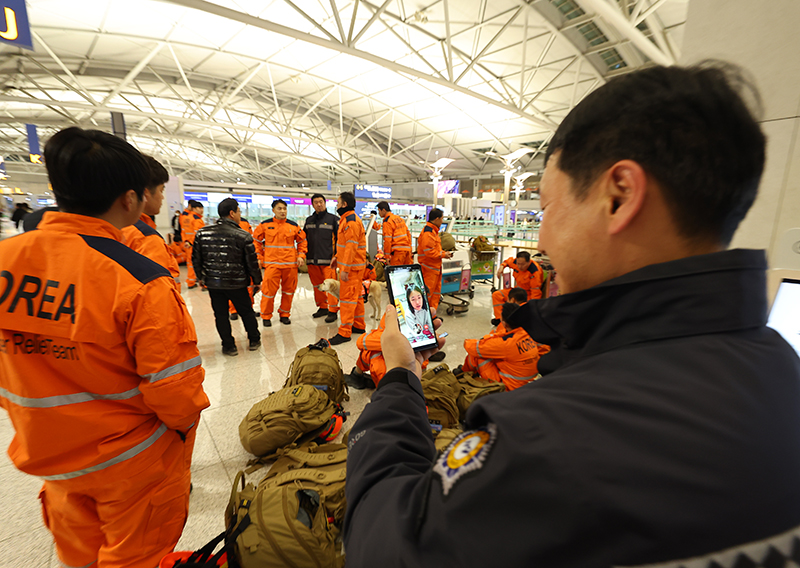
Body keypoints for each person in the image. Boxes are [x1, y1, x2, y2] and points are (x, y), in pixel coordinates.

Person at [343, 63, 800, 567]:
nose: (540, 238)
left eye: (546, 207)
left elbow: (383, 545)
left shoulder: (550, 439)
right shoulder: (783, 368)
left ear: (618, 195)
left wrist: (401, 382)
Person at [0, 127, 209, 568]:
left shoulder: (7, 261)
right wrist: (177, 436)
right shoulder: (139, 278)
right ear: (130, 200)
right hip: (130, 464)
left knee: (79, 556)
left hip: (50, 457)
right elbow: (176, 391)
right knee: (137, 558)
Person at [193, 198, 262, 356]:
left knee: (221, 315)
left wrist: (202, 278)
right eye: (239, 211)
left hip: (214, 284)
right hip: (237, 283)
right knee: (246, 312)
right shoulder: (243, 235)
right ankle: (253, 339)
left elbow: (196, 259)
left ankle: (228, 346)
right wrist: (257, 281)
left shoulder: (202, 234)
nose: (240, 214)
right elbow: (251, 263)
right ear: (232, 213)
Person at [121, 155, 181, 289]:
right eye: (161, 190)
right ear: (146, 194)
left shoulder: (116, 228)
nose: (162, 197)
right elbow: (158, 293)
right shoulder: (145, 238)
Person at [461, 303, 544, 390]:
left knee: (477, 356)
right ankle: (466, 372)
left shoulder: (506, 343)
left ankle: (463, 374)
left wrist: (481, 340)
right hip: (529, 384)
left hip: (509, 389)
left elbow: (472, 347)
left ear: (504, 323)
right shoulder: (527, 333)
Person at [253, 199, 307, 326]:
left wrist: (301, 255)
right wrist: (258, 257)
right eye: (279, 208)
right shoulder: (265, 225)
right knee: (268, 292)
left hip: (290, 265)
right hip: (272, 265)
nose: (282, 211)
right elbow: (256, 241)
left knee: (289, 291)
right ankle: (266, 316)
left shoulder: (293, 226)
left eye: (284, 208)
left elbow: (302, 241)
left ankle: (285, 314)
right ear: (273, 210)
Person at [329, 191, 367, 345]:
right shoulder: (346, 220)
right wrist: (337, 258)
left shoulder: (350, 221)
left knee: (346, 300)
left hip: (351, 269)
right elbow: (345, 246)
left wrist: (345, 269)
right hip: (354, 267)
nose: (336, 205)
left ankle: (344, 332)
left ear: (344, 204)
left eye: (338, 203)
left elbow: (351, 247)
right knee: (356, 297)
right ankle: (358, 325)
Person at [304, 193, 339, 323]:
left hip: (328, 261)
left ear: (325, 203)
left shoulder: (333, 220)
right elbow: (304, 239)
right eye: (316, 202)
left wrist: (336, 256)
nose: (319, 204)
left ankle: (333, 310)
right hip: (312, 260)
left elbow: (339, 240)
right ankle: (323, 307)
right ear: (312, 205)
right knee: (317, 286)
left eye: (321, 202)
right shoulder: (309, 220)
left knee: (331, 286)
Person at [490, 250, 543, 325]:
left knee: (521, 307)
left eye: (523, 264)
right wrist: (502, 266)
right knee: (497, 295)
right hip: (517, 291)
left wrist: (532, 309)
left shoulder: (534, 272)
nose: (520, 266)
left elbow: (536, 293)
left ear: (528, 262)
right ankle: (500, 319)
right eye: (518, 264)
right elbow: (508, 261)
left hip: (527, 295)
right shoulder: (516, 262)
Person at [416, 207, 453, 311]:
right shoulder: (428, 232)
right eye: (441, 218)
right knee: (427, 294)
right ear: (436, 219)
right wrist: (443, 255)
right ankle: (424, 314)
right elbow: (429, 252)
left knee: (434, 294)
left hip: (434, 269)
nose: (442, 221)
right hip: (428, 269)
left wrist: (444, 253)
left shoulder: (433, 231)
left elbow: (434, 249)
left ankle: (432, 314)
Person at [228, 215, 257, 321]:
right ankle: (233, 310)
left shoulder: (245, 223)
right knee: (233, 286)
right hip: (231, 260)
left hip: (245, 259)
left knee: (249, 286)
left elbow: (251, 239)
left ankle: (249, 308)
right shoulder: (225, 225)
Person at [377, 201, 413, 265]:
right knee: (406, 272)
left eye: (379, 211)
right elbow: (408, 234)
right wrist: (410, 248)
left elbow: (387, 240)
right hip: (407, 251)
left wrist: (387, 256)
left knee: (396, 273)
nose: (378, 213)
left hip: (397, 252)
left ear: (383, 210)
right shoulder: (399, 218)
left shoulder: (387, 221)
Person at [180, 199, 205, 288]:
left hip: (188, 245)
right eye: (199, 208)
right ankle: (204, 284)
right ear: (194, 208)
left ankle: (191, 282)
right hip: (195, 246)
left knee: (190, 264)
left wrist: (186, 241)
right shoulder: (196, 219)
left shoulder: (185, 218)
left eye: (202, 208)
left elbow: (183, 231)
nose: (201, 210)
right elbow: (198, 235)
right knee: (202, 263)